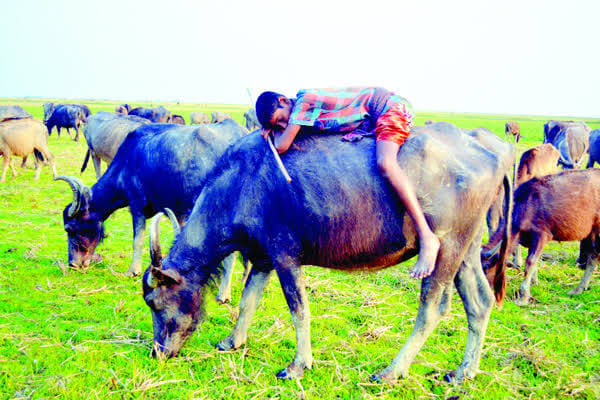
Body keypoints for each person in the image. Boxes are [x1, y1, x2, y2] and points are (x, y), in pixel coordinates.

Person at [255, 87, 440, 279]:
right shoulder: (303, 112)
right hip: (377, 114)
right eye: (278, 125)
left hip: (389, 108)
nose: (284, 125)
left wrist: (273, 132)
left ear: (284, 101)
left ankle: (427, 236)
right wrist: (275, 125)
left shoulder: (304, 103)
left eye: (280, 120)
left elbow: (281, 145)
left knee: (386, 163)